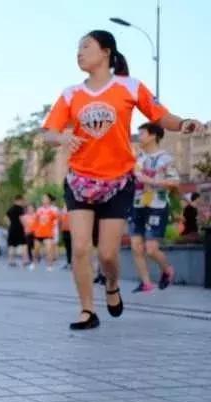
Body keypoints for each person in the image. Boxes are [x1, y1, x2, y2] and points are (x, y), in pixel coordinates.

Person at [43, 29, 203, 330]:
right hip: (80, 181)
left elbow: (160, 115)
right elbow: (49, 133)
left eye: (86, 46)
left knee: (107, 254)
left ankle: (112, 284)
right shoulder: (71, 93)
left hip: (117, 181)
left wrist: (183, 123)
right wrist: (61, 137)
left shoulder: (129, 86)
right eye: (78, 48)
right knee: (80, 248)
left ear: (106, 52)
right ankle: (87, 310)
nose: (79, 53)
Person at [129, 122, 179, 292]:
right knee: (136, 246)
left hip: (157, 206)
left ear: (153, 135)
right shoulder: (138, 158)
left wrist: (151, 181)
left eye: (142, 133)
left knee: (151, 249)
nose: (139, 137)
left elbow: (174, 182)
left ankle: (167, 270)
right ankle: (146, 283)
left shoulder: (165, 158)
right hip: (136, 205)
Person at [32, 193, 59, 271]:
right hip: (39, 233)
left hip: (49, 233)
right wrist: (34, 230)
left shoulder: (54, 209)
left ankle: (50, 265)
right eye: (43, 198)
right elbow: (36, 220)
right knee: (36, 249)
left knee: (48, 249)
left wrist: (55, 231)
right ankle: (34, 263)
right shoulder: (39, 209)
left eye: (45, 198)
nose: (44, 199)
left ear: (49, 200)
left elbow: (56, 221)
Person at [5, 195, 27, 267]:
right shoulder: (20, 209)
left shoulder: (11, 209)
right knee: (24, 244)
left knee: (12, 245)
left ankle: (11, 261)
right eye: (22, 201)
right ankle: (25, 260)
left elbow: (6, 217)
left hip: (12, 229)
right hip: (19, 229)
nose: (22, 202)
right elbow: (22, 218)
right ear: (19, 200)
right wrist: (25, 227)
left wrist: (10, 224)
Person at [60, 202, 72, 269]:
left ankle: (74, 262)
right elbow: (61, 220)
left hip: (72, 230)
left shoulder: (73, 208)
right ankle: (68, 262)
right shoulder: (63, 209)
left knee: (72, 247)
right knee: (67, 248)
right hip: (64, 230)